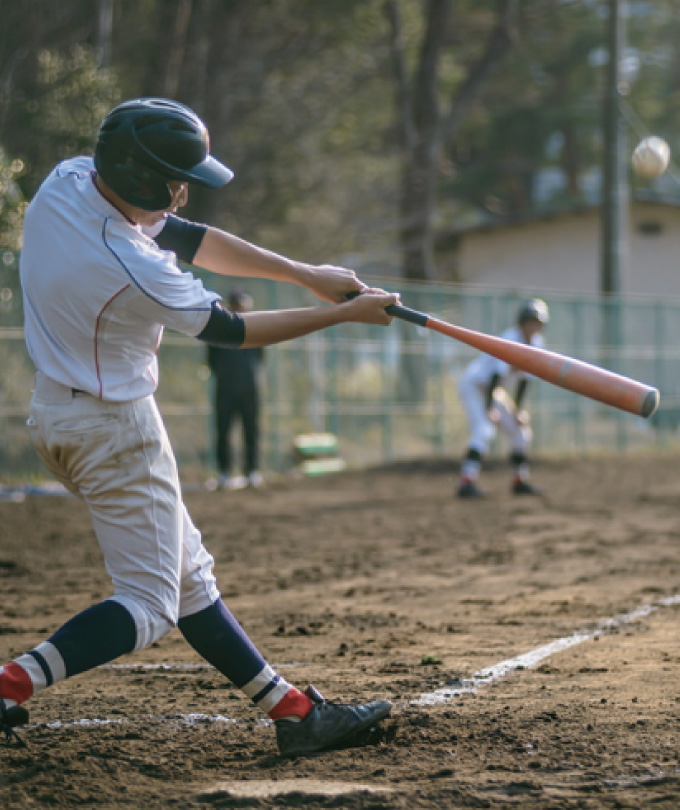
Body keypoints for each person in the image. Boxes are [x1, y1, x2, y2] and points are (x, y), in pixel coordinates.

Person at [1, 98, 398, 755]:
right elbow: (233, 330)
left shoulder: (67, 181)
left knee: (189, 579)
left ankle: (294, 712)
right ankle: (9, 684)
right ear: (137, 177)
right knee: (151, 603)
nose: (183, 191)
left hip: (57, 416)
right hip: (115, 431)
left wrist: (305, 275)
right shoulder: (131, 264)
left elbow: (189, 236)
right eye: (173, 179)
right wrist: (341, 315)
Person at [455, 298, 550, 498]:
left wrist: (517, 411)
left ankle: (519, 481)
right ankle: (466, 482)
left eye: (537, 323)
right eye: (530, 322)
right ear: (521, 322)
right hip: (474, 385)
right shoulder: (511, 339)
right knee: (484, 430)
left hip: (493, 390)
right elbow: (495, 375)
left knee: (521, 432)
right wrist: (490, 408)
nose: (533, 327)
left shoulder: (536, 343)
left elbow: (525, 381)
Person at [207, 288, 264, 490]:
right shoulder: (218, 331)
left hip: (250, 389)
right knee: (223, 431)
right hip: (225, 390)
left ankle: (252, 471)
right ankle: (224, 472)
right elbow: (212, 361)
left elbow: (259, 359)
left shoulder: (255, 329)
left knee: (251, 430)